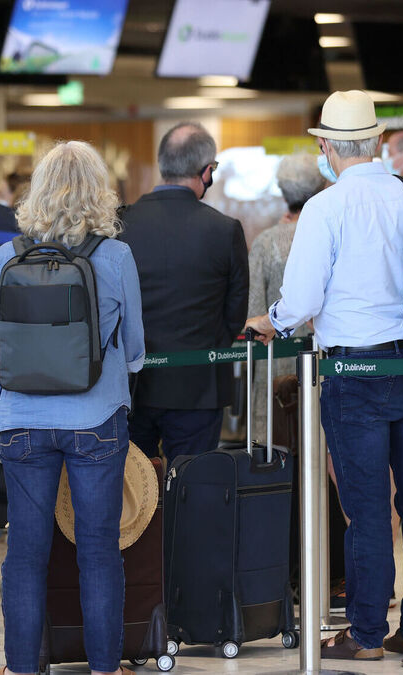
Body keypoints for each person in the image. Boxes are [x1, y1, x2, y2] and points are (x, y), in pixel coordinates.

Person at [245, 90, 403, 660]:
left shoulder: (325, 207)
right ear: (378, 141)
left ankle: (364, 635)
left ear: (328, 148)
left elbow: (303, 298)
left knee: (367, 507)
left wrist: (270, 322)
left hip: (355, 372)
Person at [0, 141, 144, 675]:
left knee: (25, 551)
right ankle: (105, 668)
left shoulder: (8, 256)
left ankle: (19, 668)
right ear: (100, 192)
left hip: (21, 419)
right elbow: (136, 349)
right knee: (98, 548)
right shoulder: (115, 256)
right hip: (94, 418)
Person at [119, 122, 248, 464]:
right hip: (200, 387)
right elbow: (234, 314)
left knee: (135, 489)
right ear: (206, 171)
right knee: (193, 486)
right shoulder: (224, 231)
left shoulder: (121, 226)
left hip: (131, 386)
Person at [247, 153, 324, 439]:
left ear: (283, 192)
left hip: (274, 365)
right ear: (321, 187)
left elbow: (254, 310)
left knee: (275, 446)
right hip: (322, 361)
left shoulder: (266, 242)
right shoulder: (327, 232)